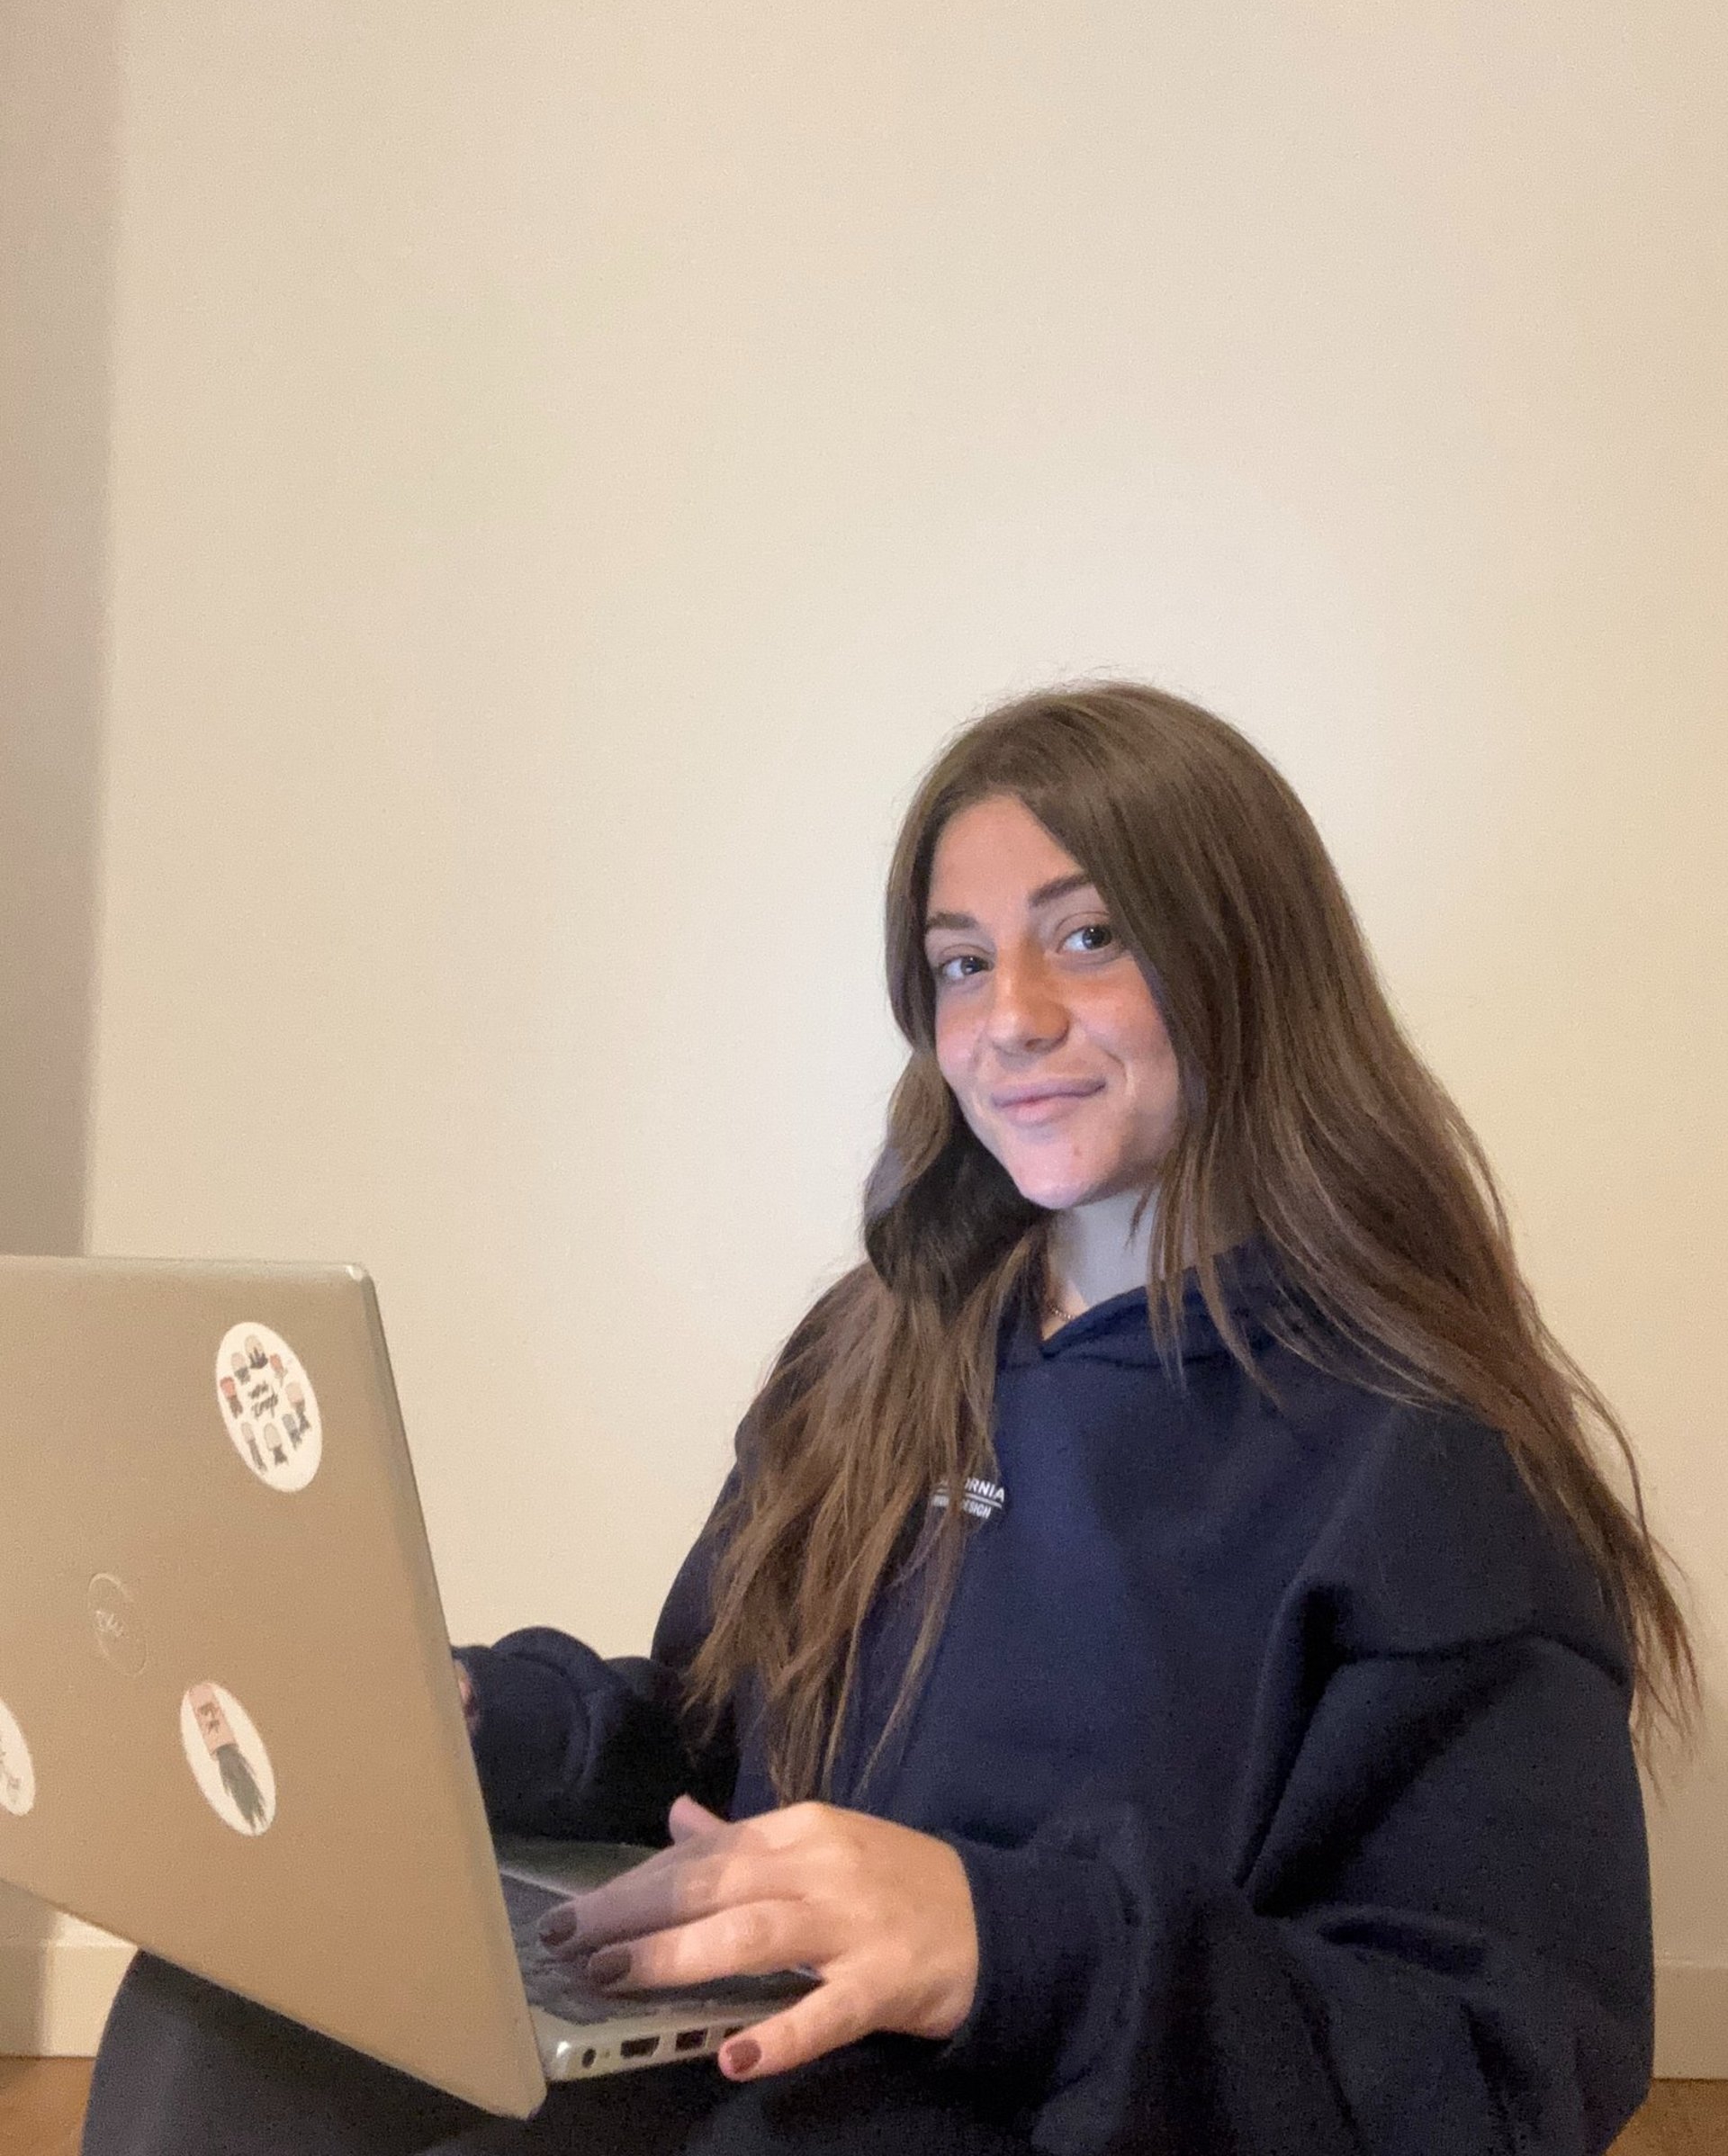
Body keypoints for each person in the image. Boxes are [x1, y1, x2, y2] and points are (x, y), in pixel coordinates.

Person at [84, 680, 1699, 2156]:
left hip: (1060, 2110)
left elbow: (1496, 2070)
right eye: (962, 963)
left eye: (1090, 937)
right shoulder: (873, 1350)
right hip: (751, 2060)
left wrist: (1000, 1944)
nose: (1012, 1017)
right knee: (220, 2012)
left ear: (1248, 965)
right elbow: (720, 1743)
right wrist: (470, 1717)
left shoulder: (1426, 1463)